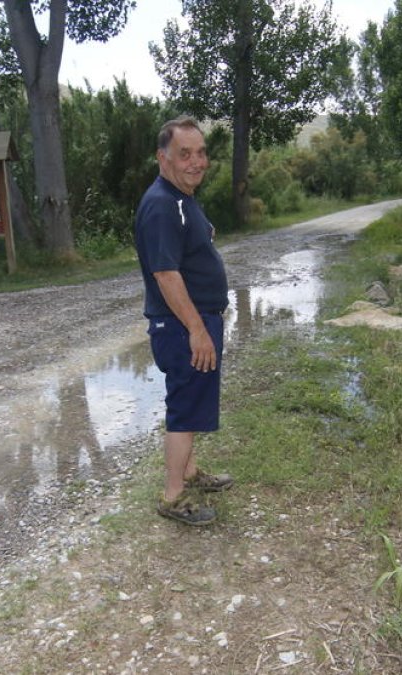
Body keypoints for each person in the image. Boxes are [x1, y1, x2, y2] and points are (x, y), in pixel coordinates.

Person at [134, 116, 234, 526]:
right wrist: (197, 330)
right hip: (182, 327)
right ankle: (174, 495)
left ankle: (190, 472)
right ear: (163, 157)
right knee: (183, 406)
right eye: (185, 154)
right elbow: (165, 273)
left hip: (194, 321)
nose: (197, 162)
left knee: (191, 404)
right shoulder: (161, 204)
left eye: (201, 152)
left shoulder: (181, 199)